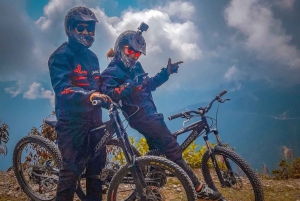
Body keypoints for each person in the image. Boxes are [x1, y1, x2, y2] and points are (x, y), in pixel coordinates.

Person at [100, 22, 223, 200]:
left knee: (157, 151)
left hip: (150, 114)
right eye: (130, 51)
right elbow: (109, 95)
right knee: (172, 148)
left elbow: (147, 84)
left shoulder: (135, 67)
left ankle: (152, 189)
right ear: (120, 48)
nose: (134, 56)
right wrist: (129, 86)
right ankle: (198, 188)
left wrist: (166, 73)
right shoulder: (111, 72)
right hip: (141, 117)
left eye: (137, 54)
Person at [48, 7, 111, 201]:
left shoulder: (92, 58)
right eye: (81, 28)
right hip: (72, 123)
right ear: (69, 29)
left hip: (95, 122)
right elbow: (63, 89)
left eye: (90, 29)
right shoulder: (60, 56)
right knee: (70, 171)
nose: (86, 33)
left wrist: (116, 92)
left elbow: (99, 84)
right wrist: (90, 95)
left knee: (96, 170)